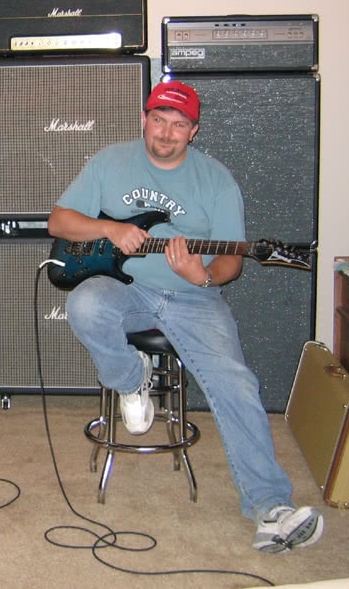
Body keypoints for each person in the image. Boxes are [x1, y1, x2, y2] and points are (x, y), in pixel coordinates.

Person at [47, 80, 324, 554]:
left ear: (194, 131)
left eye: (179, 125)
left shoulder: (217, 180)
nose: (167, 133)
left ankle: (271, 507)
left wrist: (203, 276)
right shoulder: (110, 161)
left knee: (236, 381)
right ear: (144, 119)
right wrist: (111, 229)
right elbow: (59, 221)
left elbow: (232, 259)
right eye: (159, 120)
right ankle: (132, 379)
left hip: (193, 298)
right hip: (123, 288)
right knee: (84, 304)